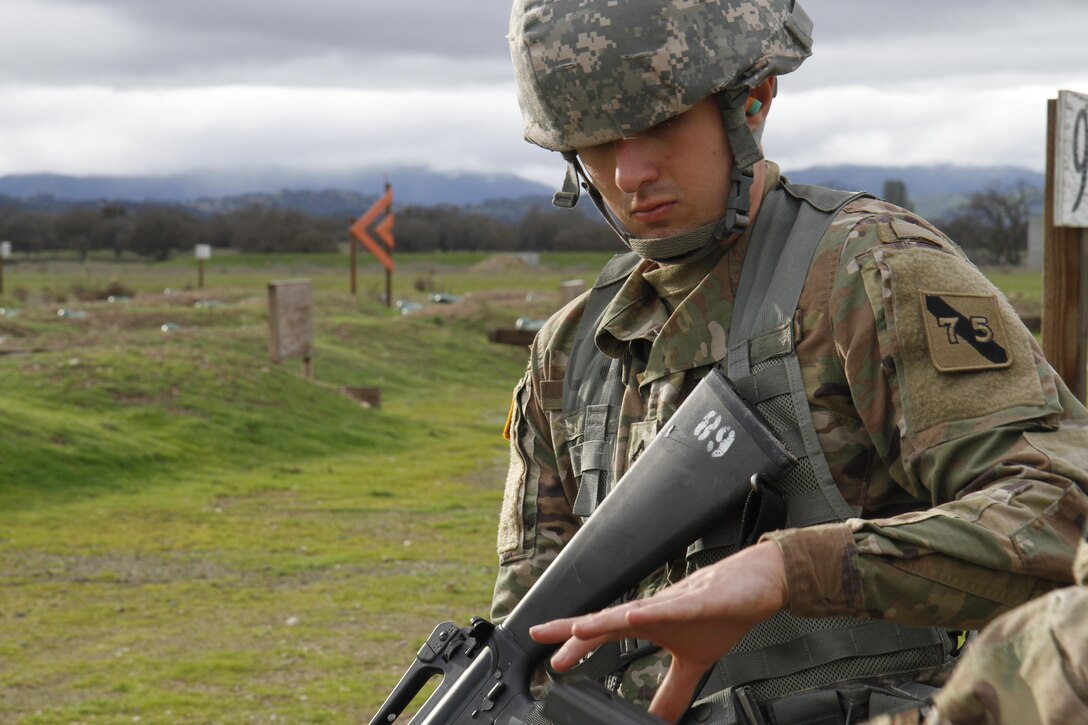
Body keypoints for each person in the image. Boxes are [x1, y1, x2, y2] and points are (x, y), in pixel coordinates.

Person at [492, 0, 1088, 722]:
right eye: (593, 141)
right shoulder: (570, 352)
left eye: (659, 124)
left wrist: (791, 570)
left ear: (752, 100)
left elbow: (1063, 512)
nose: (629, 173)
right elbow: (528, 633)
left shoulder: (869, 271)